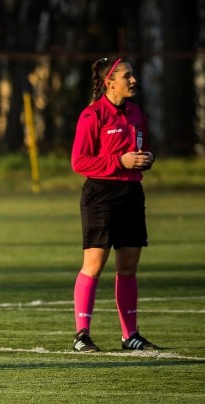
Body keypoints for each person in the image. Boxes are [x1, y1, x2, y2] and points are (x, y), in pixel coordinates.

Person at [70, 56, 160, 353]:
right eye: (127, 76)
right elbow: (79, 161)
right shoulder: (92, 115)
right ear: (109, 82)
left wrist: (146, 158)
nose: (133, 80)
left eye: (133, 75)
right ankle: (82, 335)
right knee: (94, 266)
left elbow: (141, 148)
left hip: (132, 193)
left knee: (129, 266)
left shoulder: (135, 112)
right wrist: (119, 161)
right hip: (101, 194)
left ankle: (130, 335)